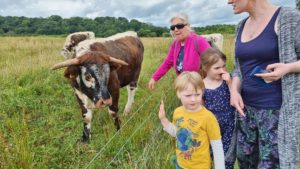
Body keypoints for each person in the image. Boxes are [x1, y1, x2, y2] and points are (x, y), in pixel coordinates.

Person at [227, 0, 300, 168]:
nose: (228, 1)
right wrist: (234, 91)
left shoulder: (288, 18)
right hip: (245, 112)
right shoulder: (240, 26)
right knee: (245, 163)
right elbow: (238, 68)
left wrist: (288, 68)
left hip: (276, 113)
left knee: (273, 164)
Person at [158, 71, 225, 169]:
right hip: (181, 164)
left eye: (197, 94)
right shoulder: (177, 112)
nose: (193, 99)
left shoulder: (208, 117)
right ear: (178, 93)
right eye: (188, 95)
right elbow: (177, 133)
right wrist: (163, 119)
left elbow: (217, 147)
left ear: (202, 91)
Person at [148, 13, 210, 90]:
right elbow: (167, 62)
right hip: (184, 86)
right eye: (173, 27)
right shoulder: (175, 43)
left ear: (188, 26)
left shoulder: (199, 41)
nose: (176, 29)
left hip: (199, 86)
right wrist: (154, 78)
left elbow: (212, 61)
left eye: (179, 26)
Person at [200, 48, 235, 169]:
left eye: (223, 66)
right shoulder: (201, 85)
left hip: (229, 126)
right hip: (211, 128)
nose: (222, 71)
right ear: (205, 68)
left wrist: (230, 83)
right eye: (217, 68)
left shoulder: (227, 81)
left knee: (227, 157)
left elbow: (235, 99)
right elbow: (200, 107)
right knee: (209, 154)